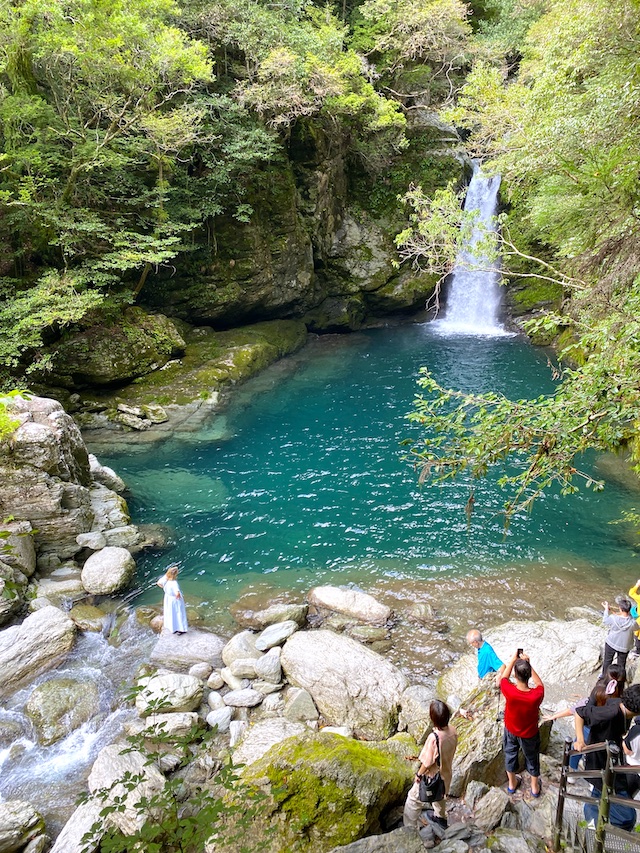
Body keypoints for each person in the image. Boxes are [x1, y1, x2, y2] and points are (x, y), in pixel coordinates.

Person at [404, 700, 458, 831]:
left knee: (413, 800)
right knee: (440, 795)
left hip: (432, 776)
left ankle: (409, 828)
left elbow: (427, 762)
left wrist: (419, 774)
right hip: (446, 773)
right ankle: (441, 818)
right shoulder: (453, 730)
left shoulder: (434, 738)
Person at [500, 651, 544, 797]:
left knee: (510, 754)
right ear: (529, 675)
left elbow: (503, 678)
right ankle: (534, 788)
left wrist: (513, 660)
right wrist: (529, 665)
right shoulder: (536, 695)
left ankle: (512, 784)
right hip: (530, 733)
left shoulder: (509, 690)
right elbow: (539, 684)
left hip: (511, 730)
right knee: (532, 758)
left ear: (515, 675)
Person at [602, 596, 635, 675]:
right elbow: (636, 627)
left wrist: (606, 609)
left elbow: (605, 621)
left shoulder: (613, 618)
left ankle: (604, 676)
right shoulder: (632, 622)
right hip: (624, 646)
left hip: (611, 643)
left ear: (620, 608)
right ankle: (620, 679)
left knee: (607, 661)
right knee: (621, 664)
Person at [157, 564, 188, 634]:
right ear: (175, 575)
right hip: (175, 600)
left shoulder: (165, 579)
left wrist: (165, 589)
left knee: (170, 612)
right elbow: (177, 592)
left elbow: (158, 583)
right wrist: (178, 596)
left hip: (168, 598)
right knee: (178, 612)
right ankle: (181, 628)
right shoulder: (174, 583)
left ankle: (171, 627)